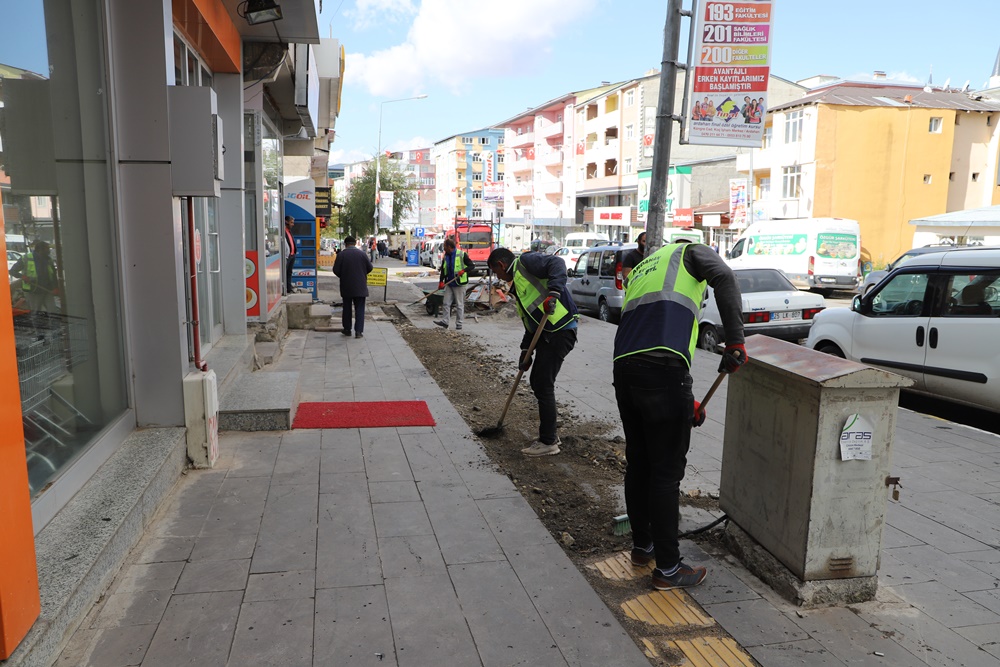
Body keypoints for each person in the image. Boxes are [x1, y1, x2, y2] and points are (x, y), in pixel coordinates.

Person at [613, 240, 746, 591]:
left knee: (639, 463)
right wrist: (736, 341)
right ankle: (669, 569)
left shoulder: (645, 267)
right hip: (662, 370)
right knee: (665, 472)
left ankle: (643, 547)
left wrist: (684, 402)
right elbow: (725, 278)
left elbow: (651, 327)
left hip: (625, 370)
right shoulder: (690, 251)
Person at [487, 247, 578, 457]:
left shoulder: (526, 262)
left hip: (560, 330)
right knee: (538, 381)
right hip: (547, 333)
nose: (498, 277)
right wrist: (525, 350)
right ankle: (550, 434)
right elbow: (531, 324)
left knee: (542, 383)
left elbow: (557, 263)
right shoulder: (518, 286)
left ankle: (548, 441)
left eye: (496, 272)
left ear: (501, 265)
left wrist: (554, 293)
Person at [332, 236, 374, 338]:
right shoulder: (362, 254)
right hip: (360, 286)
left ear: (345, 244)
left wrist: (343, 276)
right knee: (360, 309)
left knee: (347, 308)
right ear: (355, 243)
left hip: (346, 286)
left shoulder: (341, 255)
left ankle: (347, 329)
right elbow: (370, 268)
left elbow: (336, 270)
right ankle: (358, 332)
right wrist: (362, 274)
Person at [433, 238, 477, 330]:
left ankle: (459, 324)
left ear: (449, 247)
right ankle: (445, 322)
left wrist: (463, 270)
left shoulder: (461, 254)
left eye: (445, 247)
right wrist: (441, 281)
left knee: (459, 304)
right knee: (446, 303)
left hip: (459, 284)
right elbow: (443, 270)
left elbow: (472, 266)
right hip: (449, 283)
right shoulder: (446, 256)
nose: (444, 249)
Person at [10, 240, 58, 313]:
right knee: (35, 313)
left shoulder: (48, 259)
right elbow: (13, 271)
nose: (49, 251)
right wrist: (22, 276)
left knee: (53, 311)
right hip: (33, 290)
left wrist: (55, 287)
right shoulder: (26, 258)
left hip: (47, 290)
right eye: (47, 249)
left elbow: (53, 275)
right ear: (40, 250)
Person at [283, 216, 297, 294]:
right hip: (287, 256)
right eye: (291, 222)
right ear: (286, 222)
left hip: (292, 255)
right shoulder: (283, 232)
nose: (293, 224)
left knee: (289, 272)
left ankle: (289, 288)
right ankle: (285, 288)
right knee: (285, 272)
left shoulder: (289, 231)